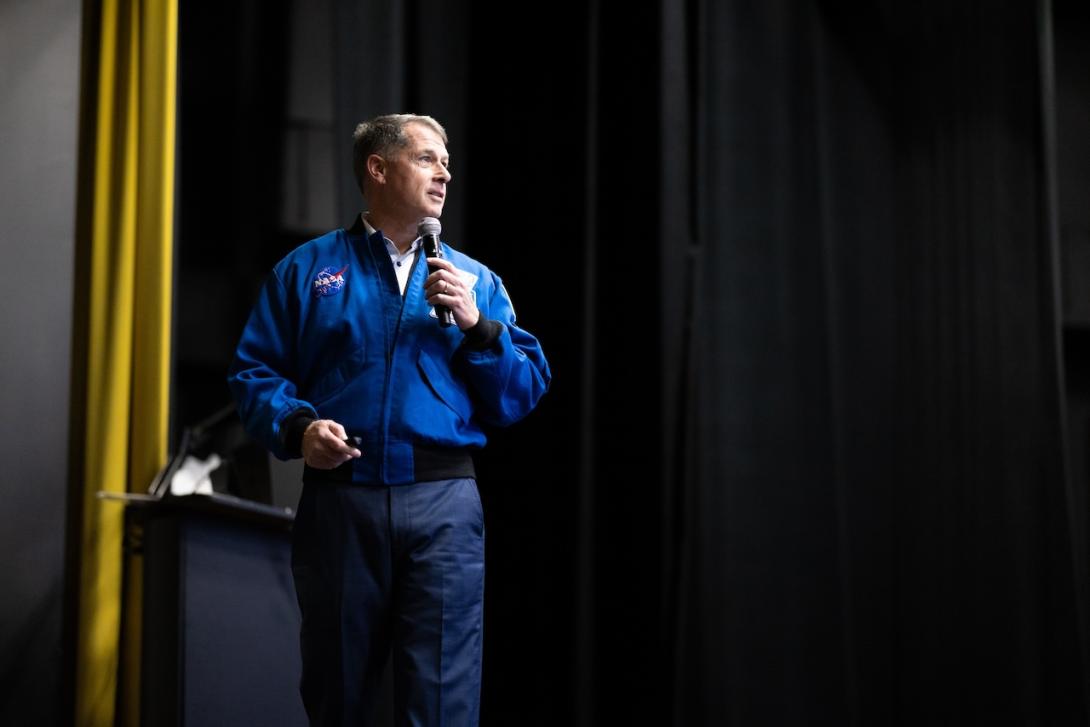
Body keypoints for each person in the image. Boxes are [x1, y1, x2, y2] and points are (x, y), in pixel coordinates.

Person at [228, 113, 550, 725]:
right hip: (342, 502)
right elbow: (254, 373)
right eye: (428, 158)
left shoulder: (474, 280)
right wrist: (299, 429)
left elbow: (522, 393)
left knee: (441, 699)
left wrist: (478, 325)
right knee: (338, 692)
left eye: (447, 161)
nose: (445, 172)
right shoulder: (306, 270)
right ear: (378, 169)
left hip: (443, 504)